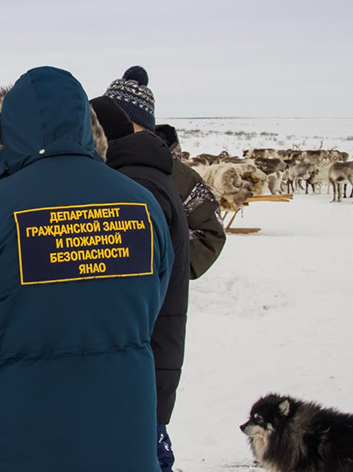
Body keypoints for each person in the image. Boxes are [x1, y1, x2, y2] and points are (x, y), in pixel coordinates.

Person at [0, 66, 173, 472]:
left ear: (5, 130)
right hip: (123, 436)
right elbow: (151, 301)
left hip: (16, 441)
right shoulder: (142, 205)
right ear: (84, 122)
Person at [100, 65, 226, 472]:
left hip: (154, 331)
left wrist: (166, 263)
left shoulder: (178, 174)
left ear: (139, 124)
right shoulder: (102, 165)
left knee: (142, 441)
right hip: (128, 341)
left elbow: (210, 232)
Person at [92, 83, 190, 472]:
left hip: (137, 365)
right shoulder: (145, 177)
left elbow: (119, 291)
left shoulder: (134, 188)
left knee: (140, 454)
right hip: (147, 360)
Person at [155, 123, 226, 279]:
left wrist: (159, 266)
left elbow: (210, 238)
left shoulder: (181, 177)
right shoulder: (96, 168)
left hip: (160, 295)